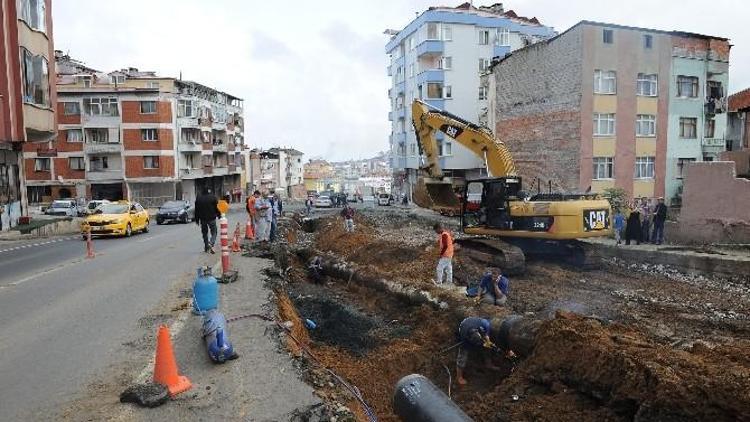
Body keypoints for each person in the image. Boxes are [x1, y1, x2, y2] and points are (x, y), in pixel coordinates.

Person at [455, 317, 502, 386]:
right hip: (463, 329)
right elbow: (467, 345)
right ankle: (459, 377)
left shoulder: (484, 324)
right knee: (462, 356)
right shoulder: (464, 337)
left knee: (486, 346)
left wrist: (487, 337)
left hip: (473, 323)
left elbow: (487, 325)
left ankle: (488, 364)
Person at [195, 188, 220, 254]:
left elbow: (196, 210)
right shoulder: (213, 197)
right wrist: (219, 215)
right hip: (212, 218)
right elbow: (217, 207)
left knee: (204, 233)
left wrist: (197, 219)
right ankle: (211, 243)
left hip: (203, 219)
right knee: (214, 231)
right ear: (209, 191)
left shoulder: (199, 199)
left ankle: (206, 247)